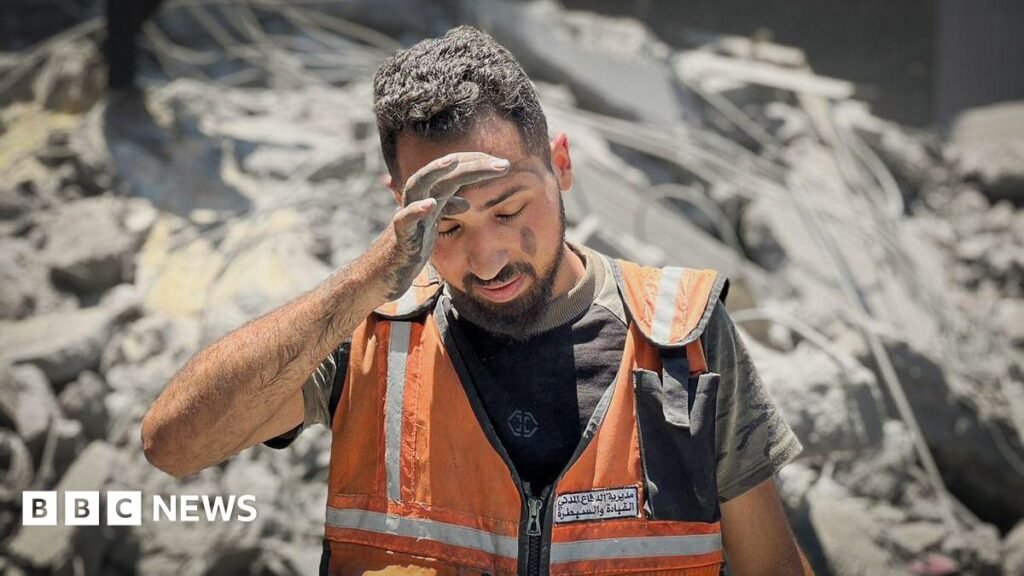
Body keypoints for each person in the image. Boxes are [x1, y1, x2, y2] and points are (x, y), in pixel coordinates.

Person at [142, 26, 812, 576]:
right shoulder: (371, 334)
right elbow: (173, 445)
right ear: (400, 205)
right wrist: (367, 280)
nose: (489, 260)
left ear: (561, 164)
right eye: (448, 226)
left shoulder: (682, 334)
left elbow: (772, 564)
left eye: (510, 209)